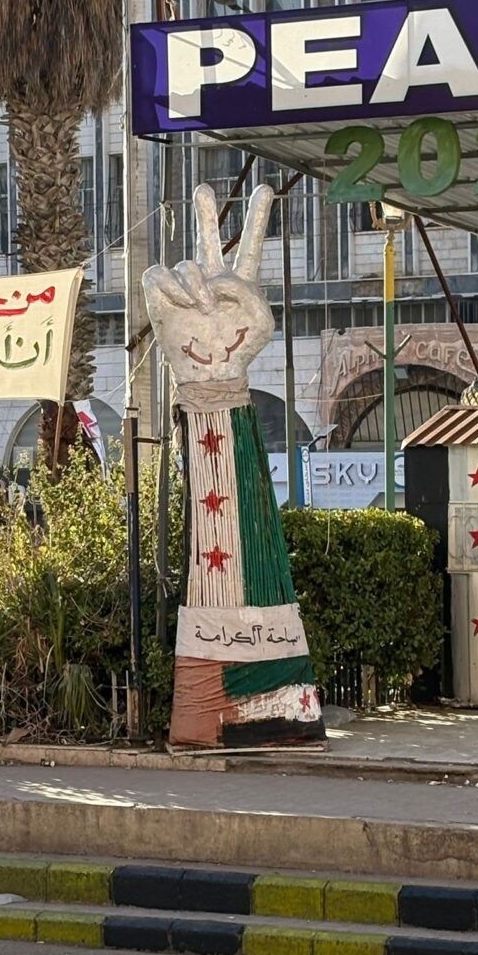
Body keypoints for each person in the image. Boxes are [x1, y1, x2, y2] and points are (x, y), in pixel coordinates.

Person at [143, 183, 325, 749]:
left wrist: (221, 361)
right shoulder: (206, 406)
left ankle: (256, 698)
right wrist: (202, 368)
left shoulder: (229, 405)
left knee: (237, 541)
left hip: (224, 431)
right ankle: (226, 701)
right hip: (212, 428)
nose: (216, 343)